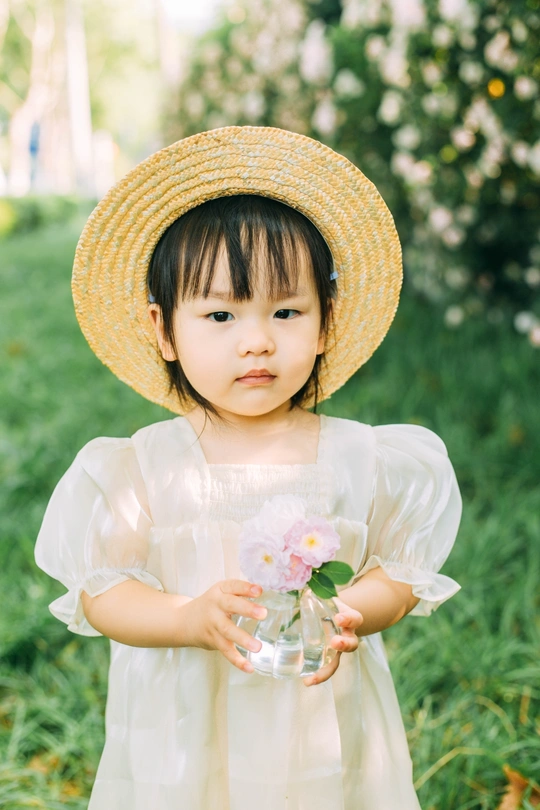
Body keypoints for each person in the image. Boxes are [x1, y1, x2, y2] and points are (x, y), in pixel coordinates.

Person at [34, 126, 462, 810]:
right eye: (221, 314)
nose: (257, 339)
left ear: (326, 324)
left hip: (321, 727)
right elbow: (102, 591)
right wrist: (187, 617)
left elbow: (400, 573)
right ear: (163, 328)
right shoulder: (145, 467)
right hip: (185, 739)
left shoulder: (361, 457)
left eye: (286, 310)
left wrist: (349, 610)